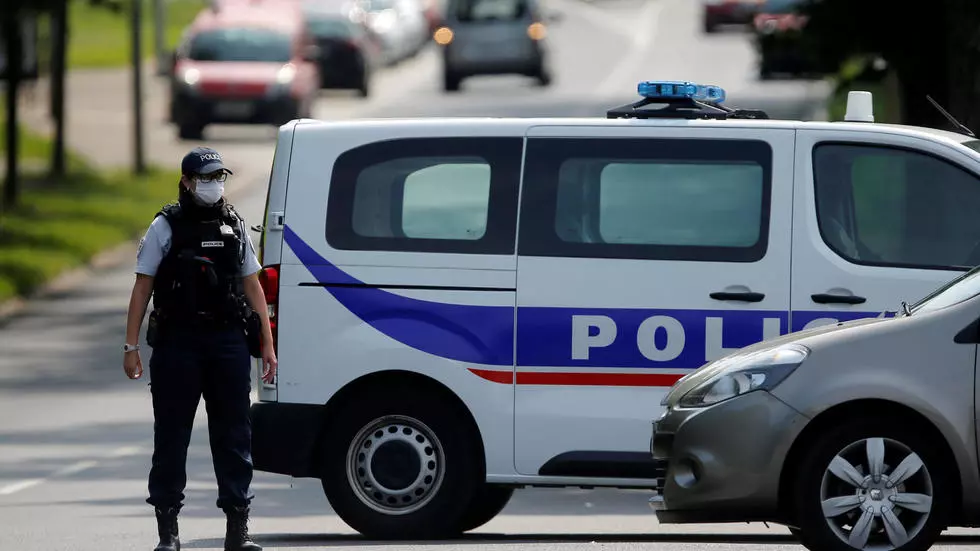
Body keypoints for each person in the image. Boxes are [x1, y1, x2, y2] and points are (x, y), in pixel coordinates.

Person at [122, 146, 278, 551]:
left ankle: (237, 532)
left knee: (235, 436)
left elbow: (252, 284)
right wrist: (130, 345)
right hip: (178, 343)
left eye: (219, 177)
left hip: (227, 341)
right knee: (172, 437)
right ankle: (168, 533)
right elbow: (142, 287)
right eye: (206, 178)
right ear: (187, 181)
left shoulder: (233, 223)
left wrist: (268, 342)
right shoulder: (165, 226)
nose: (214, 185)